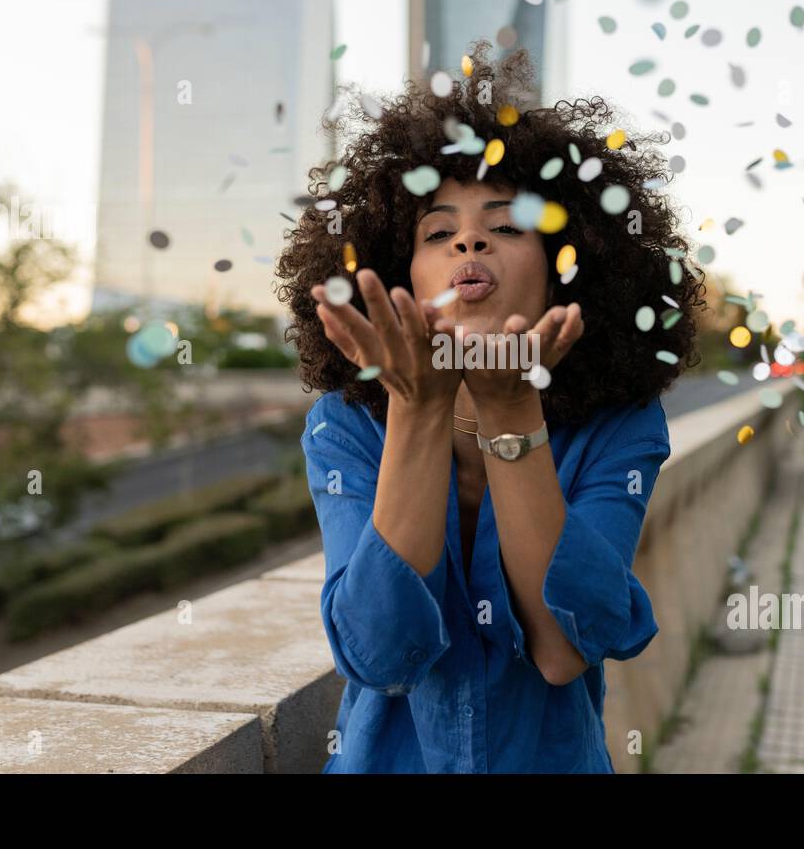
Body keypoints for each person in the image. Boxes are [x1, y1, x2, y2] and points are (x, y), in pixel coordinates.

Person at [277, 39, 704, 773]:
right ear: (397, 269)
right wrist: (414, 408)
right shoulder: (345, 426)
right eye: (438, 232)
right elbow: (382, 654)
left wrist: (512, 415)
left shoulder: (620, 427)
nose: (469, 238)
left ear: (569, 266)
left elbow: (564, 649)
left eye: (507, 225)